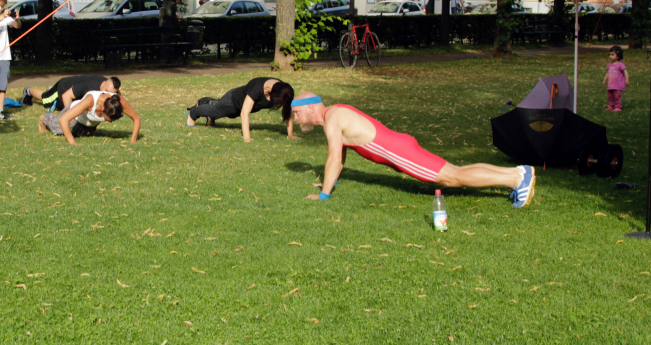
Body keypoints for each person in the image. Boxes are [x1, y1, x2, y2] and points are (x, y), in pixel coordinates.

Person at [289, 92, 535, 207]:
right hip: (401, 146)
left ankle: (515, 180)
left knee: (452, 178)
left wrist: (324, 196)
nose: (296, 120)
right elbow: (340, 156)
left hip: (400, 153)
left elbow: (333, 157)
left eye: (297, 113)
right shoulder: (335, 113)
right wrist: (329, 182)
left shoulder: (332, 120)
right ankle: (519, 173)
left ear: (311, 108)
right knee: (455, 170)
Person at [185, 77, 297, 142]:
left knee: (221, 113)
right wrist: (247, 137)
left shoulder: (284, 91)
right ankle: (192, 114)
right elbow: (244, 113)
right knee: (213, 112)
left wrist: (290, 135)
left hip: (238, 107)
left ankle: (212, 108)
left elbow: (288, 111)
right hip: (232, 102)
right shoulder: (257, 88)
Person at [38, 90, 141, 145]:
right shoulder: (91, 101)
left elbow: (137, 119)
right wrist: (73, 143)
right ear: (102, 109)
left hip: (89, 124)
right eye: (109, 119)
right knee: (59, 130)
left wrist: (133, 140)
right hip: (74, 117)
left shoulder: (119, 102)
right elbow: (63, 119)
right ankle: (45, 118)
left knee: (83, 135)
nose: (110, 123)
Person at [22, 76, 120, 111]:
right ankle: (28, 91)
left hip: (74, 89)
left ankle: (51, 90)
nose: (108, 95)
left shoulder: (108, 86)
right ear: (103, 84)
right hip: (64, 88)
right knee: (46, 99)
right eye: (106, 92)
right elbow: (66, 96)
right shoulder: (88, 86)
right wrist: (71, 116)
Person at [603, 45, 629, 112]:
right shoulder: (609, 64)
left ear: (618, 56)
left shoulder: (620, 64)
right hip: (611, 84)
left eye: (612, 54)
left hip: (618, 85)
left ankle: (618, 107)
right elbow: (608, 72)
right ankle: (611, 105)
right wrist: (605, 79)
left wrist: (627, 79)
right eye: (610, 54)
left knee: (617, 96)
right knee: (610, 96)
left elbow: (625, 72)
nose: (610, 56)